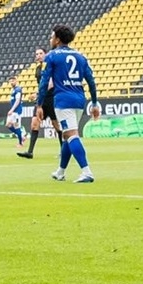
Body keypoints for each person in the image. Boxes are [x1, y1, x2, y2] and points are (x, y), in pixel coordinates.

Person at [42, 25, 100, 184]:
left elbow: (44, 81)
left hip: (63, 100)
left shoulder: (52, 56)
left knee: (72, 134)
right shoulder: (80, 56)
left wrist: (39, 105)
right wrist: (94, 103)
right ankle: (60, 172)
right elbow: (91, 81)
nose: (50, 39)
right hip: (79, 99)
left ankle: (86, 171)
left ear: (58, 39)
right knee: (67, 135)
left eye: (52, 36)